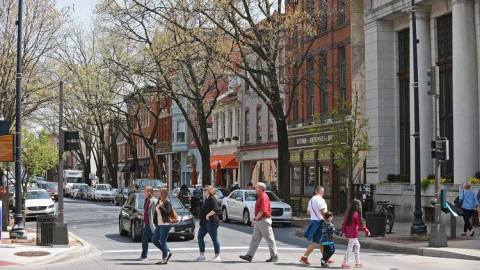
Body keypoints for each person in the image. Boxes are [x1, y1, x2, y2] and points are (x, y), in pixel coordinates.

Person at [239, 182, 278, 263]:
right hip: (260, 221)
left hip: (263, 220)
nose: (255, 188)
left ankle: (274, 256)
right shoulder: (260, 196)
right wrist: (256, 220)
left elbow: (263, 210)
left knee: (270, 239)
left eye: (256, 187)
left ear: (261, 188)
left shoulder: (263, 196)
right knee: (255, 239)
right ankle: (249, 256)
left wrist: (255, 219)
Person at [299, 186, 327, 265]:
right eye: (323, 191)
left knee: (321, 242)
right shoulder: (320, 199)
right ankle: (304, 257)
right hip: (320, 222)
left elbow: (308, 212)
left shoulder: (311, 200)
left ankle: (325, 258)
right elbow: (322, 211)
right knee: (316, 242)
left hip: (313, 221)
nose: (323, 193)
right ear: (320, 192)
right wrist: (327, 220)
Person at [152, 188, 178, 265]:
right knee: (154, 240)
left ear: (163, 193)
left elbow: (167, 213)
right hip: (159, 224)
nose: (158, 193)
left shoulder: (167, 202)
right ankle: (167, 251)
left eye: (159, 192)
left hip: (165, 224)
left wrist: (161, 206)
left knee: (163, 241)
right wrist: (155, 222)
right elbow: (156, 213)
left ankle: (164, 259)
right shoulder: (159, 201)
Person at [341, 199, 370, 269]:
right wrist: (366, 230)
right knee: (350, 248)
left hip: (349, 233)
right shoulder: (356, 214)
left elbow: (344, 223)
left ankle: (358, 262)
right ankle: (344, 263)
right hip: (353, 234)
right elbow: (360, 224)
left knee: (357, 246)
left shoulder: (349, 213)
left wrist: (343, 232)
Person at [196, 185, 221, 262]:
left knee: (214, 239)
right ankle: (202, 255)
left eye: (205, 190)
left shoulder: (212, 199)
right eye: (203, 190)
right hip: (204, 223)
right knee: (200, 237)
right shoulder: (206, 199)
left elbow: (216, 209)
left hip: (212, 222)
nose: (203, 191)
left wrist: (208, 215)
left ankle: (217, 256)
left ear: (209, 191)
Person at [138, 186, 155, 261]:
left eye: (144, 191)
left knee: (153, 240)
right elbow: (145, 212)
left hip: (150, 224)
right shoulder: (146, 200)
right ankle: (144, 255)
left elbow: (153, 213)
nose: (143, 193)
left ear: (149, 192)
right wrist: (141, 216)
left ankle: (166, 251)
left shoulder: (152, 201)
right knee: (146, 240)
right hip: (146, 223)